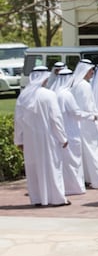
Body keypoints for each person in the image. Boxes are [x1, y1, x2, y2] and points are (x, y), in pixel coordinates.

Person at [13, 69, 70, 206]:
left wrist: (19, 140)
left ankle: (38, 198)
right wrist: (62, 137)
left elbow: (18, 120)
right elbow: (56, 118)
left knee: (34, 168)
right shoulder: (49, 95)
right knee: (52, 166)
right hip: (47, 138)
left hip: (30, 139)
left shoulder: (23, 96)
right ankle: (56, 198)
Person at [49, 68, 92, 196]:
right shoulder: (66, 94)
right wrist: (92, 116)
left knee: (63, 162)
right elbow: (76, 113)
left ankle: (66, 187)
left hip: (59, 133)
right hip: (71, 132)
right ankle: (75, 187)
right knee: (73, 162)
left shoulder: (54, 93)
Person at [71, 61, 98, 189]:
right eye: (90, 70)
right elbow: (89, 107)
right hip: (88, 123)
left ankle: (88, 178)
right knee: (94, 152)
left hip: (80, 123)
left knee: (86, 153)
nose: (92, 73)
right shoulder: (84, 85)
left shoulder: (76, 84)